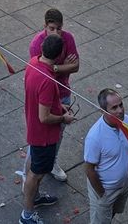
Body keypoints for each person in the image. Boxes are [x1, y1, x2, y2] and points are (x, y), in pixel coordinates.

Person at [22, 34, 78, 224]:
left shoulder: (33, 62)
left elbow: (39, 100)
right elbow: (44, 117)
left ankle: (34, 199)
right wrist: (64, 117)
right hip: (43, 136)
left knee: (33, 167)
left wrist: (57, 105)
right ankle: (27, 215)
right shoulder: (47, 79)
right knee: (36, 175)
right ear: (59, 55)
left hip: (33, 129)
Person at [24, 8, 81, 184]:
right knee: (38, 138)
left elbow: (76, 66)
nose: (56, 32)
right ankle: (30, 173)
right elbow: (41, 72)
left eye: (59, 28)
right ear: (44, 27)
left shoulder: (68, 38)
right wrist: (61, 67)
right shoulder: (36, 45)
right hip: (43, 95)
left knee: (58, 134)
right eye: (51, 28)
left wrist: (54, 68)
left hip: (62, 93)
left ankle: (52, 162)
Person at [82, 87, 128, 224]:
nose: (120, 110)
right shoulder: (95, 137)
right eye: (114, 108)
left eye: (121, 105)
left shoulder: (127, 121)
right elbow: (89, 169)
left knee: (111, 214)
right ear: (103, 111)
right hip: (106, 191)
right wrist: (102, 194)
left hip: (123, 185)